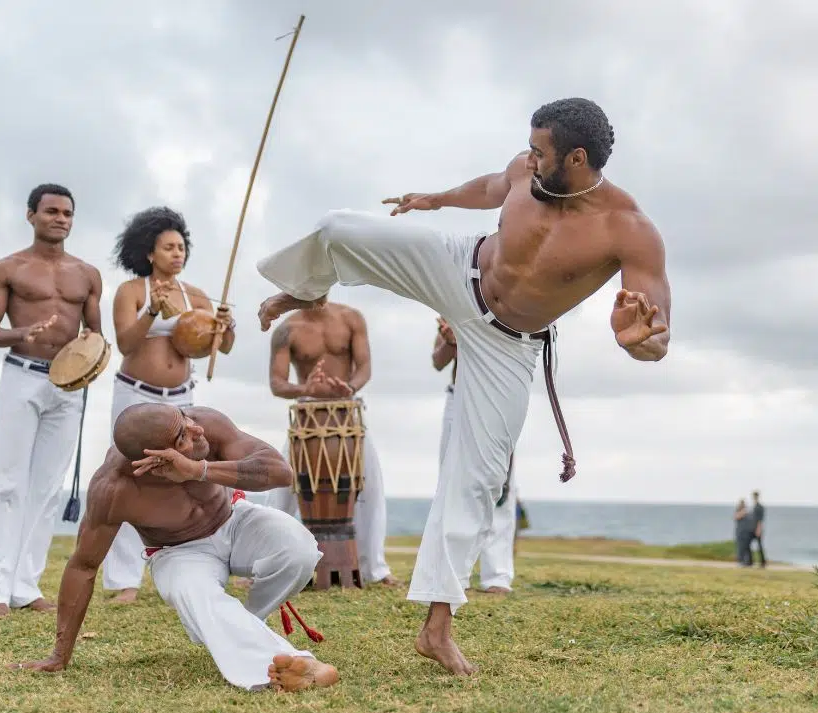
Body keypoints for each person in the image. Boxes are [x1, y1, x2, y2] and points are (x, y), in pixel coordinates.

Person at [255, 97, 672, 675]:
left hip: (509, 342)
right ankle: (302, 289)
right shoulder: (526, 171)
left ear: (576, 158)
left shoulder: (629, 230)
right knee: (337, 229)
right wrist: (436, 200)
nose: (528, 158)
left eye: (540, 151)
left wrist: (639, 341)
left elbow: (656, 338)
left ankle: (436, 628)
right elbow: (491, 186)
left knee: (474, 482)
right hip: (462, 269)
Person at [10, 402, 338, 693]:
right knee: (191, 591)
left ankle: (239, 627)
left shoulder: (206, 424)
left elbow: (281, 473)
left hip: (235, 519)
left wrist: (199, 469)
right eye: (182, 436)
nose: (196, 430)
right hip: (179, 551)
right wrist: (59, 655)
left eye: (185, 419)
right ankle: (298, 667)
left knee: (299, 550)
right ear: (154, 460)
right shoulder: (115, 489)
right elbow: (83, 566)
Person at [0, 183, 104, 618]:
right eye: (50, 211)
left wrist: (91, 348)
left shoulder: (87, 274)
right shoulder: (8, 268)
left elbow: (98, 335)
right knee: (5, 482)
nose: (60, 218)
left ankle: (25, 586)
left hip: (68, 388)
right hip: (21, 377)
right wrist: (19, 334)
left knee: (47, 488)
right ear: (31, 215)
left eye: (67, 212)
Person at [99, 206, 236, 604]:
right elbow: (125, 343)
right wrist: (152, 311)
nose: (177, 254)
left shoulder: (194, 295)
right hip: (136, 392)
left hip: (180, 399)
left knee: (185, 478)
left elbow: (221, 348)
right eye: (168, 247)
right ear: (149, 253)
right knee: (127, 474)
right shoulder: (132, 291)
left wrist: (226, 327)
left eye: (181, 247)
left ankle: (190, 564)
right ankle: (124, 580)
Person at [254, 294, 399, 587]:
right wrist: (304, 387)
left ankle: (375, 569)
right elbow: (277, 383)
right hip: (307, 416)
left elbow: (364, 367)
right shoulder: (287, 329)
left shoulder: (351, 317)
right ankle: (268, 565)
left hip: (348, 413)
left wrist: (349, 387)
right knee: (282, 493)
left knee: (370, 489)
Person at [433, 316, 517, 594]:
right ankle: (452, 574)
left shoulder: (512, 299)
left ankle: (497, 577)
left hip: (497, 393)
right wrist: (450, 341)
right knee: (451, 482)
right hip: (458, 395)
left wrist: (469, 339)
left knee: (499, 485)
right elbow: (438, 361)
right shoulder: (452, 297)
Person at [737, 491, 765, 568]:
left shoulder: (759, 507)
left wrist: (758, 529)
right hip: (751, 530)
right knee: (747, 545)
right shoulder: (752, 507)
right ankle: (749, 562)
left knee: (759, 546)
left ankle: (763, 562)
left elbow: (760, 519)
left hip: (757, 529)